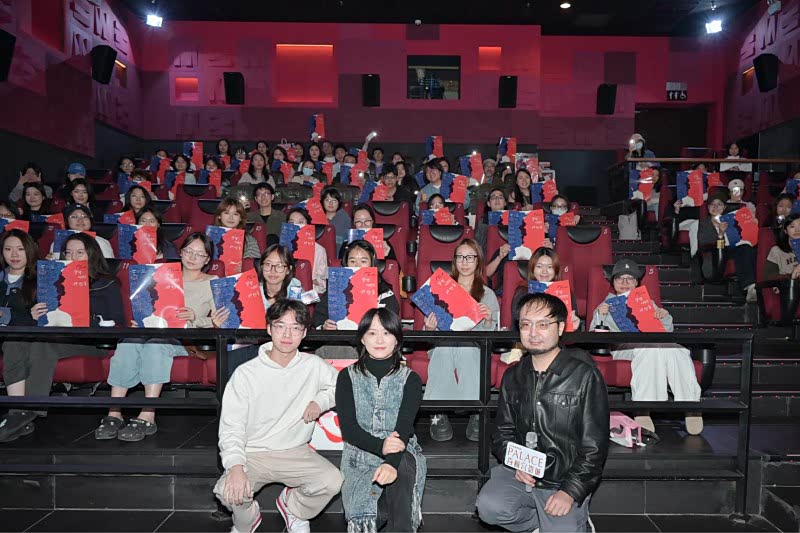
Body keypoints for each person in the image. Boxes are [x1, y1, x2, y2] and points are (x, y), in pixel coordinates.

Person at [476, 293, 609, 533]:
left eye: (543, 324)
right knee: (489, 507)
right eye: (526, 325)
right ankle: (539, 523)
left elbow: (594, 446)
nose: (533, 332)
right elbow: (502, 433)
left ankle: (572, 519)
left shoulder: (584, 376)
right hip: (522, 474)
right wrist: (517, 464)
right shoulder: (513, 376)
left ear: (560, 328)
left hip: (563, 478)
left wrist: (570, 491)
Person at [214, 299, 342, 533]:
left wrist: (321, 401)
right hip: (253, 453)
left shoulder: (313, 365)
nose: (287, 334)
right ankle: (247, 521)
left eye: (295, 328)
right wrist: (235, 466)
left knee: (332, 481)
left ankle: (294, 509)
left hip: (295, 451)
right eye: (280, 326)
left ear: (304, 333)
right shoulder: (246, 374)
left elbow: (342, 387)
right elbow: (231, 427)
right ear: (269, 328)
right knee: (227, 492)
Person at [94, 233, 229, 442]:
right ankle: (114, 412)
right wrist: (140, 320)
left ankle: (148, 414)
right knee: (128, 342)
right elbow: (147, 306)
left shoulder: (212, 282)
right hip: (152, 331)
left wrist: (196, 318)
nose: (192, 257)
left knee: (156, 345)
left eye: (199, 254)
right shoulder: (162, 275)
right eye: (188, 251)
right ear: (180, 252)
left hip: (183, 340)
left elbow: (221, 320)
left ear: (207, 260)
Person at [0, 232, 124, 442]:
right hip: (58, 338)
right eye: (68, 253)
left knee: (42, 345)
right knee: (15, 340)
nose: (73, 257)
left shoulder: (106, 283)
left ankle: (29, 408)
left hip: (91, 342)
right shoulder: (53, 282)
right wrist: (37, 314)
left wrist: (86, 317)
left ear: (91, 254)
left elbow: (117, 321)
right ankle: (17, 410)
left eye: (79, 253)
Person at [589, 259, 703, 435]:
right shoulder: (606, 305)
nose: (625, 282)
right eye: (620, 278)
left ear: (637, 283)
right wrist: (600, 316)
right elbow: (595, 334)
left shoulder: (647, 302)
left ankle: (691, 405)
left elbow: (667, 332)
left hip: (651, 343)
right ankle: (643, 408)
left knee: (677, 349)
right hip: (623, 348)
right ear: (613, 282)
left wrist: (664, 317)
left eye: (630, 278)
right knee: (648, 349)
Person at [338, 308, 426, 532]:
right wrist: (381, 446)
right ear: (362, 339)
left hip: (401, 453)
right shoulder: (347, 376)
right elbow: (349, 429)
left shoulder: (411, 379)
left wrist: (391, 462)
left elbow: (402, 430)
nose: (379, 340)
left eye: (386, 333)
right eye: (372, 333)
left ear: (396, 339)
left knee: (403, 465)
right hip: (359, 456)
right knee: (371, 515)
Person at [424, 239, 499, 442]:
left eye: (470, 257)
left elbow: (491, 336)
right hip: (443, 343)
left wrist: (489, 320)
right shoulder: (441, 290)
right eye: (460, 257)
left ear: (478, 261)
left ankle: (477, 411)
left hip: (473, 346)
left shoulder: (488, 294)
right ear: (454, 261)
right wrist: (429, 328)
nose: (465, 262)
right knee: (444, 348)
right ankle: (438, 412)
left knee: (466, 349)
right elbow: (430, 334)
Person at [0, 230, 39, 442]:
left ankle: (17, 412)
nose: (14, 254)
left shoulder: (40, 280)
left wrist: (6, 315)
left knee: (14, 341)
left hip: (24, 338)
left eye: (20, 249)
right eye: (8, 249)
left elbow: (38, 319)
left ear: (29, 251)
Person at [315, 240, 399, 330]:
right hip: (340, 337)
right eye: (352, 261)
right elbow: (318, 317)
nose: (357, 266)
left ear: (372, 263)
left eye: (363, 261)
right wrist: (324, 326)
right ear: (346, 264)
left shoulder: (385, 294)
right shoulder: (335, 290)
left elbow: (391, 324)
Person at [697, 191, 757, 302]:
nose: (715, 207)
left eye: (719, 204)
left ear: (724, 207)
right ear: (708, 207)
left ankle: (752, 287)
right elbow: (704, 242)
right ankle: (750, 286)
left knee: (746, 248)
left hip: (736, 249)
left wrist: (753, 225)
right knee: (742, 250)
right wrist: (720, 235)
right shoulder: (704, 223)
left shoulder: (732, 220)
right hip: (716, 253)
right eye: (712, 204)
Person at [509, 247, 581, 331]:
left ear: (556, 270)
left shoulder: (566, 293)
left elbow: (568, 330)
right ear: (532, 269)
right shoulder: (522, 292)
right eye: (539, 266)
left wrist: (573, 328)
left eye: (549, 267)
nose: (544, 271)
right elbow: (516, 327)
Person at [763, 214, 800, 324]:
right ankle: (787, 324)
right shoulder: (777, 251)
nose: (797, 230)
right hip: (787, 286)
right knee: (792, 283)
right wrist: (792, 275)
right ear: (785, 231)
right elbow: (769, 275)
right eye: (792, 226)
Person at [286, 208, 328, 294]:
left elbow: (322, 284)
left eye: (301, 222)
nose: (297, 226)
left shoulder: (319, 250)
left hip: (309, 292)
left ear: (308, 225)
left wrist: (307, 279)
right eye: (292, 223)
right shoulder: (281, 249)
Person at [246, 183, 287, 247]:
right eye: (259, 194)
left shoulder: (283, 217)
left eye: (266, 194)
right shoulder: (248, 217)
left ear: (272, 197)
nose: (263, 197)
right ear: (256, 198)